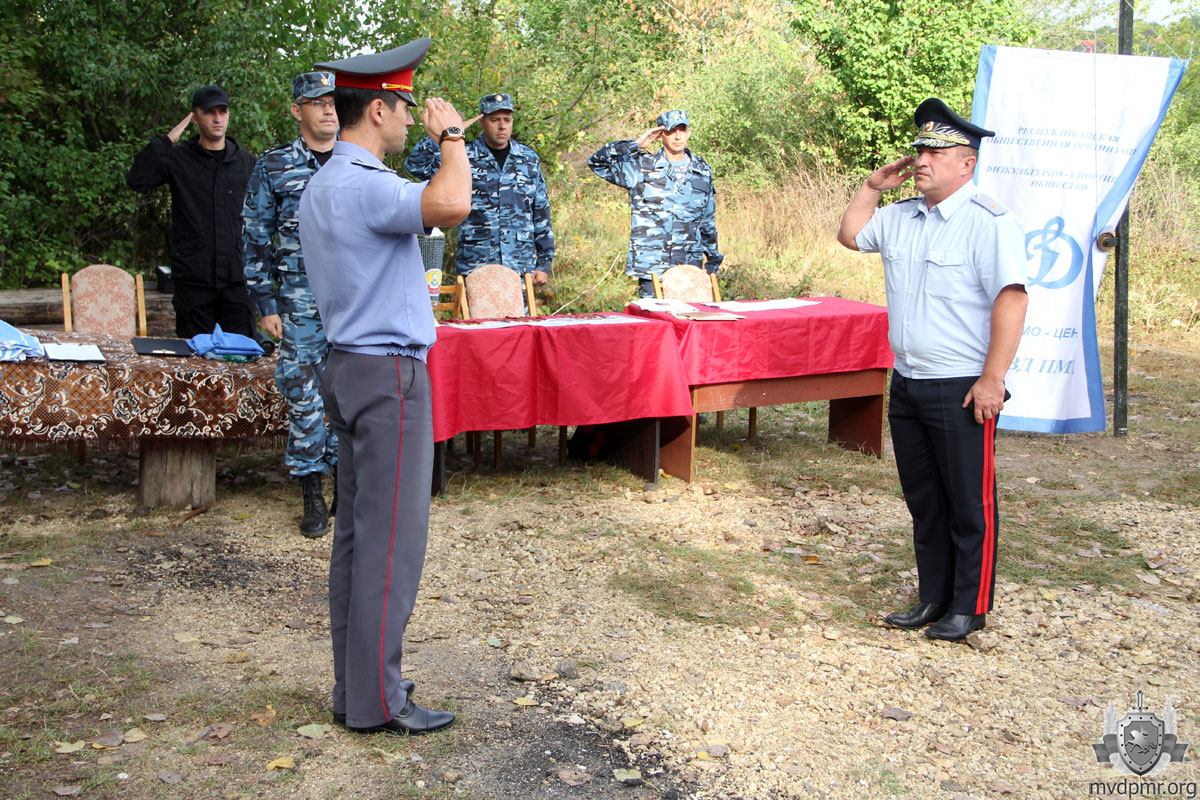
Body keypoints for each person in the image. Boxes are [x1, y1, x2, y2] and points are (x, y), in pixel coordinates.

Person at [298, 37, 470, 735]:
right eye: (403, 106)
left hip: (347, 366)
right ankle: (378, 701)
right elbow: (452, 202)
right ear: (377, 109)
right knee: (390, 545)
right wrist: (452, 137)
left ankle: (356, 688)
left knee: (357, 539)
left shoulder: (322, 184)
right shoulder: (367, 183)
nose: (408, 119)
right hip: (387, 375)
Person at [837, 98, 1029, 642]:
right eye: (920, 149)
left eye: (936, 152)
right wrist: (871, 188)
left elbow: (1012, 300)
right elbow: (851, 236)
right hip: (909, 381)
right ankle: (934, 597)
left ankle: (970, 606)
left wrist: (993, 379)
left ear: (967, 163)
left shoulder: (988, 223)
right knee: (924, 501)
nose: (922, 159)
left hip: (962, 384)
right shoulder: (900, 216)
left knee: (969, 502)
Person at [242, 72, 340, 538]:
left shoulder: (356, 159)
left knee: (348, 392)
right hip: (298, 302)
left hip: (352, 302)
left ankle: (347, 483)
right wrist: (265, 302)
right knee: (303, 395)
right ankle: (311, 491)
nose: (328, 109)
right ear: (297, 110)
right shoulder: (275, 164)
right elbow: (255, 235)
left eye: (332, 101)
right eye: (317, 102)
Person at [127, 85, 257, 338]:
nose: (217, 119)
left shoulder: (247, 163)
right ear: (195, 117)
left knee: (242, 356)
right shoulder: (178, 159)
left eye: (222, 111)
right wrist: (166, 141)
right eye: (209, 112)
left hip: (237, 282)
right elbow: (137, 180)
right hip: (194, 282)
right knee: (194, 358)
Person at [404, 93, 554, 285]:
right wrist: (452, 130)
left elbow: (541, 212)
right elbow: (416, 165)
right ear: (482, 122)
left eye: (507, 120)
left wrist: (544, 263)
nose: (502, 126)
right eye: (495, 120)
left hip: (520, 266)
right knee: (475, 306)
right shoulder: (462, 154)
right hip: (476, 263)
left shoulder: (528, 159)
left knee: (520, 307)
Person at [588, 110, 722, 297]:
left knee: (691, 315)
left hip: (689, 266)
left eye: (682, 130)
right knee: (655, 317)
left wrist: (713, 260)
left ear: (689, 132)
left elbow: (707, 221)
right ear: (660, 135)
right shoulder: (641, 167)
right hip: (653, 267)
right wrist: (635, 144)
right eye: (671, 131)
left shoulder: (702, 171)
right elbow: (596, 162)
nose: (677, 137)